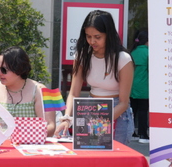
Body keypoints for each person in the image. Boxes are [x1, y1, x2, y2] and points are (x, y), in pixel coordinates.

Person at [54, 10, 135, 145]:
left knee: (115, 159)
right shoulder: (82, 56)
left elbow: (123, 103)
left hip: (117, 113)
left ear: (108, 35)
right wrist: (67, 119)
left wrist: (100, 121)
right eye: (88, 36)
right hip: (91, 108)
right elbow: (74, 93)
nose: (92, 41)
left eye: (97, 37)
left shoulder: (123, 59)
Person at [0, 46, 56, 137]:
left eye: (4, 70)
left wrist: (20, 137)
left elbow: (50, 127)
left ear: (19, 68)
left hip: (27, 149)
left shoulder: (40, 90)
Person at [129, 30, 149, 143]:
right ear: (147, 41)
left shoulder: (132, 52)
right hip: (144, 88)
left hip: (132, 88)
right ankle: (143, 135)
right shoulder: (149, 53)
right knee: (143, 111)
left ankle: (132, 133)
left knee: (133, 111)